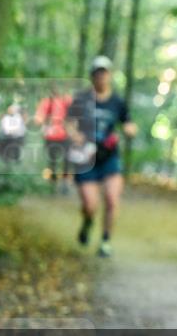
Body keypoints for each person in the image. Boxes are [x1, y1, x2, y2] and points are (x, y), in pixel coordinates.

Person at [67, 56, 138, 258]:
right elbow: (69, 123)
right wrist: (75, 135)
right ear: (92, 76)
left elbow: (128, 122)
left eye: (104, 72)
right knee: (90, 205)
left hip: (109, 157)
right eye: (97, 73)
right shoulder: (81, 99)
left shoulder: (117, 101)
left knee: (112, 199)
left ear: (109, 75)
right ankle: (87, 222)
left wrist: (129, 129)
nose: (101, 76)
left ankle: (106, 240)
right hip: (86, 158)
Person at [34, 84, 73, 191]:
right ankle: (52, 183)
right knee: (52, 160)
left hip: (65, 135)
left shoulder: (66, 100)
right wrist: (42, 120)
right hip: (50, 136)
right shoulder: (46, 102)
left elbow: (75, 112)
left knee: (67, 159)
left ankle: (65, 182)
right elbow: (39, 117)